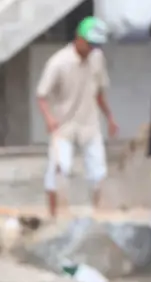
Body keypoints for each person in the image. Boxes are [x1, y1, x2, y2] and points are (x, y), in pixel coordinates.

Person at [37, 17, 120, 217]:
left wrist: (109, 117)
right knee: (59, 169)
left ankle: (99, 215)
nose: (92, 48)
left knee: (98, 172)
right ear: (79, 39)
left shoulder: (97, 58)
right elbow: (41, 95)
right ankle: (54, 216)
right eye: (90, 44)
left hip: (89, 122)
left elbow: (99, 92)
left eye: (96, 45)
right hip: (64, 124)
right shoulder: (58, 63)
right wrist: (49, 118)